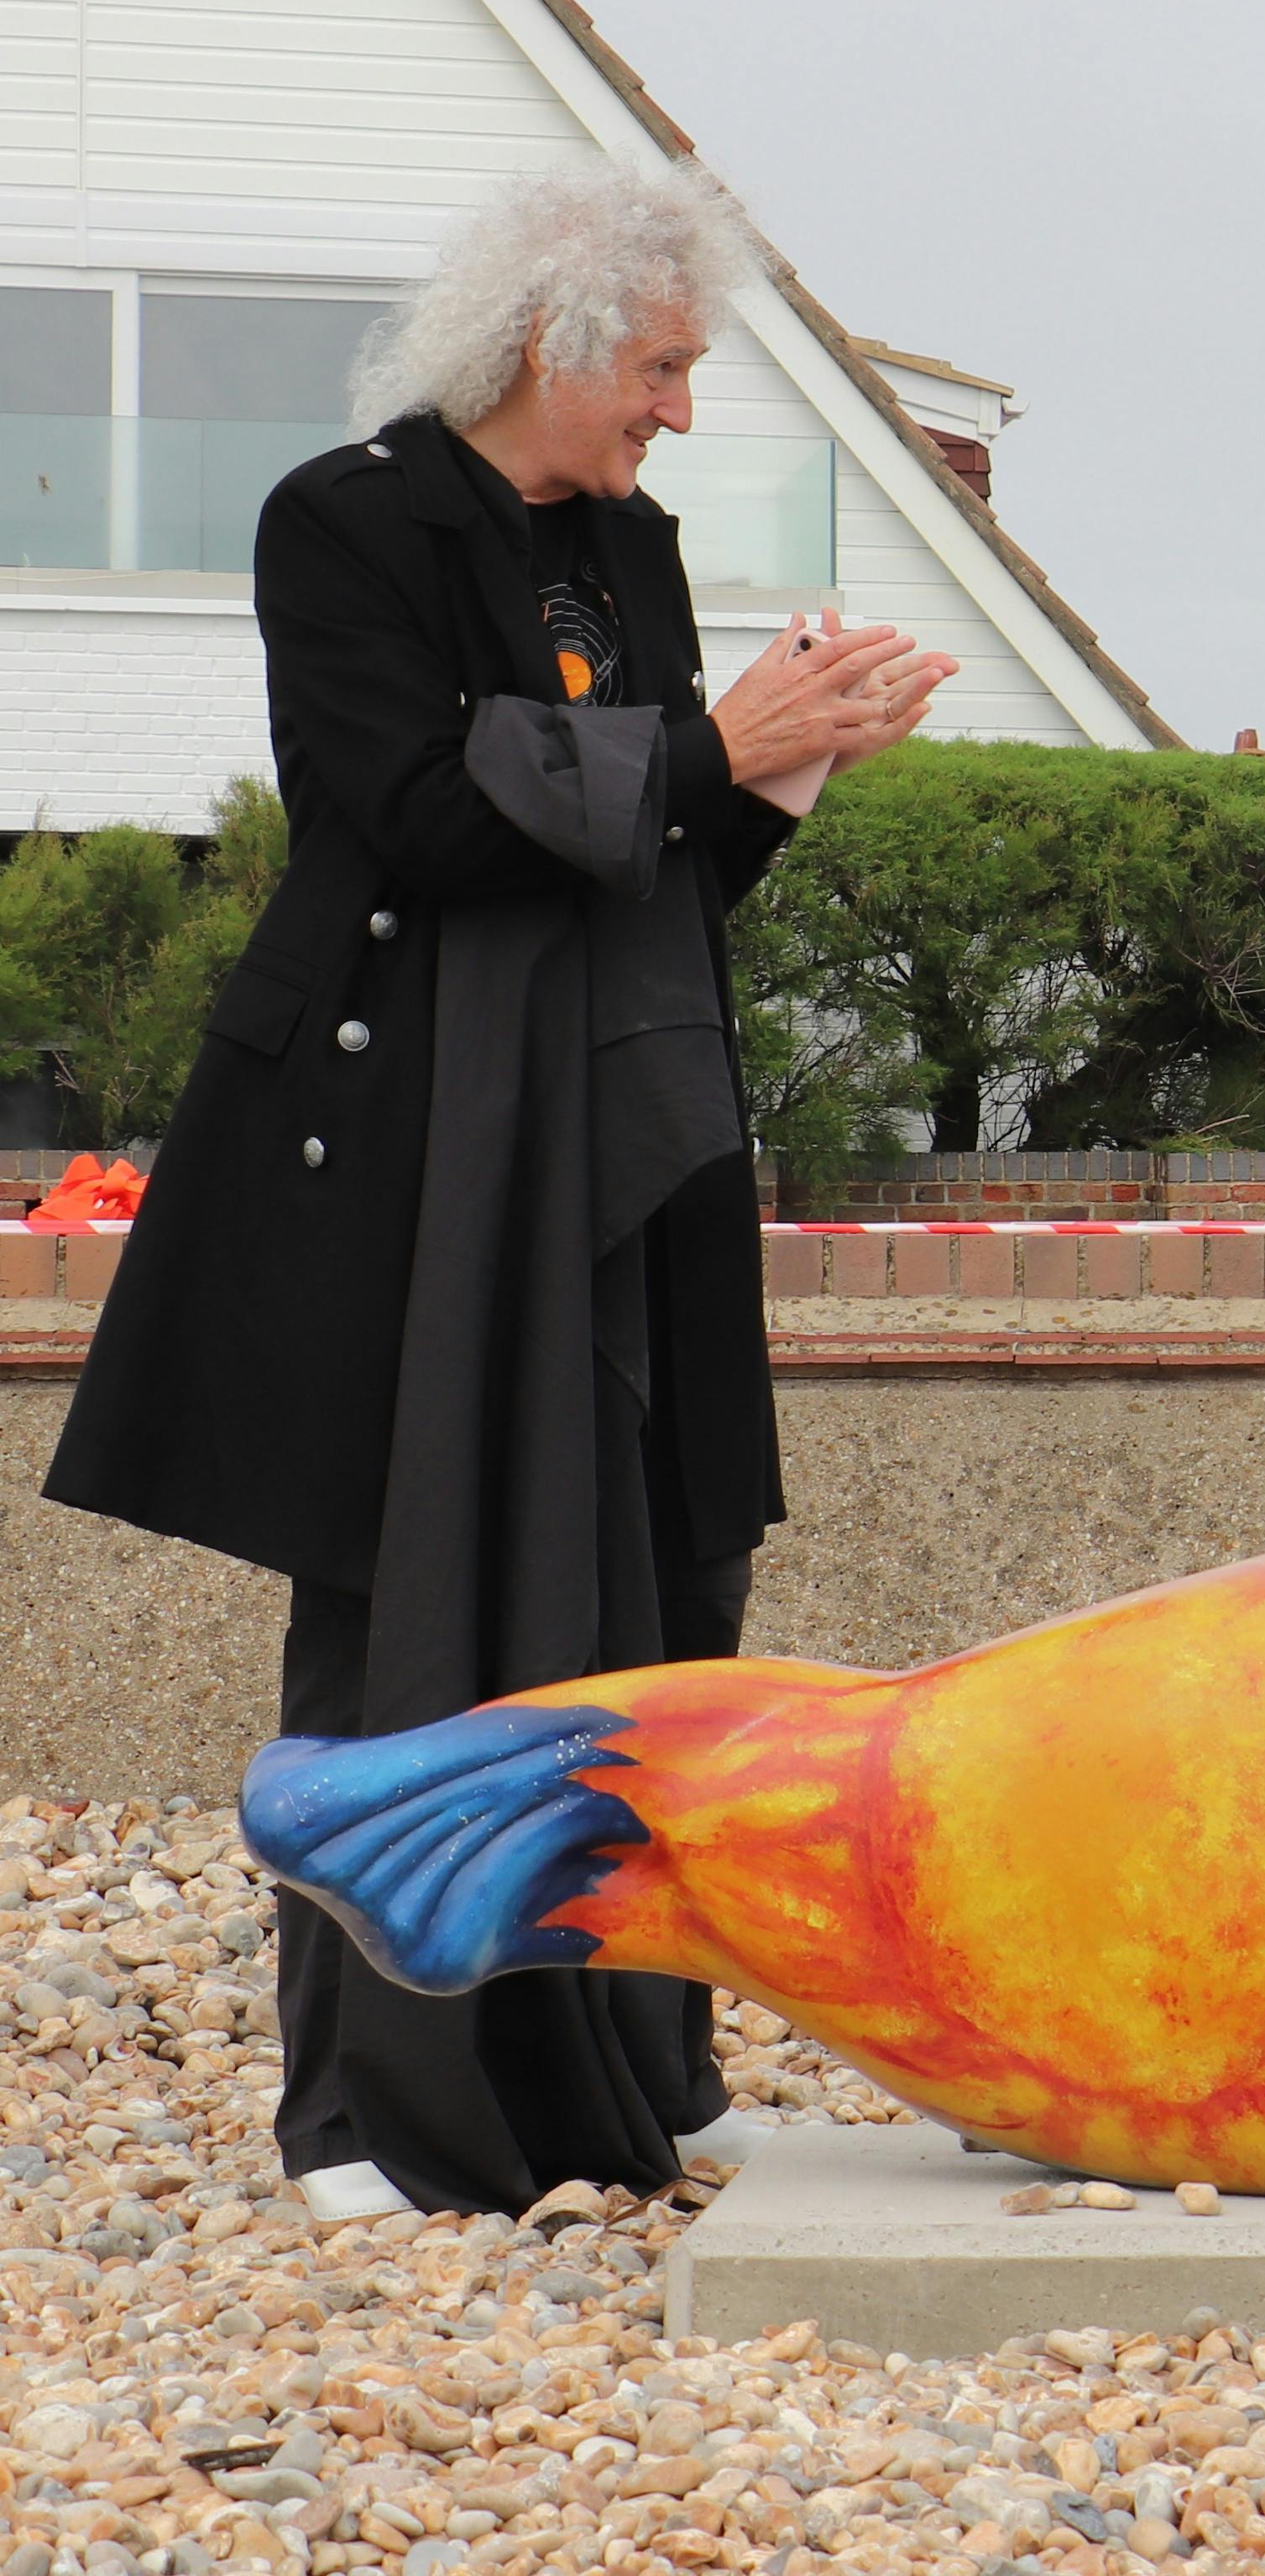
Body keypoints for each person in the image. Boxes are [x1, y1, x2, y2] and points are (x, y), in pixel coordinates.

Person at [41, 162, 954, 2223]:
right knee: (399, 1609)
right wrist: (711, 754)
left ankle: (634, 2053)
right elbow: (422, 820)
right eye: (659, 366)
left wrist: (792, 764)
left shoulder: (632, 547)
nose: (677, 411)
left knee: (669, 1570)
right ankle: (369, 2106)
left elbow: (660, 856)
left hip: (623, 1149)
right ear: (550, 336)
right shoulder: (343, 522)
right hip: (403, 1164)